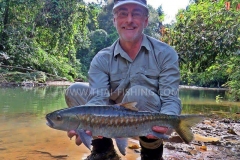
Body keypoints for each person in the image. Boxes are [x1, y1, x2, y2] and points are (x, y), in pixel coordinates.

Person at [65, 0, 181, 159]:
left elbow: (170, 99)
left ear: (145, 20)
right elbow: (97, 99)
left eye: (136, 14)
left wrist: (169, 121)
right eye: (123, 14)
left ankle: (151, 154)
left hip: (148, 122)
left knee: (138, 93)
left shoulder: (166, 53)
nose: (129, 20)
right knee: (74, 91)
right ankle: (103, 151)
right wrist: (86, 125)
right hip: (111, 122)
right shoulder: (101, 59)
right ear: (114, 20)